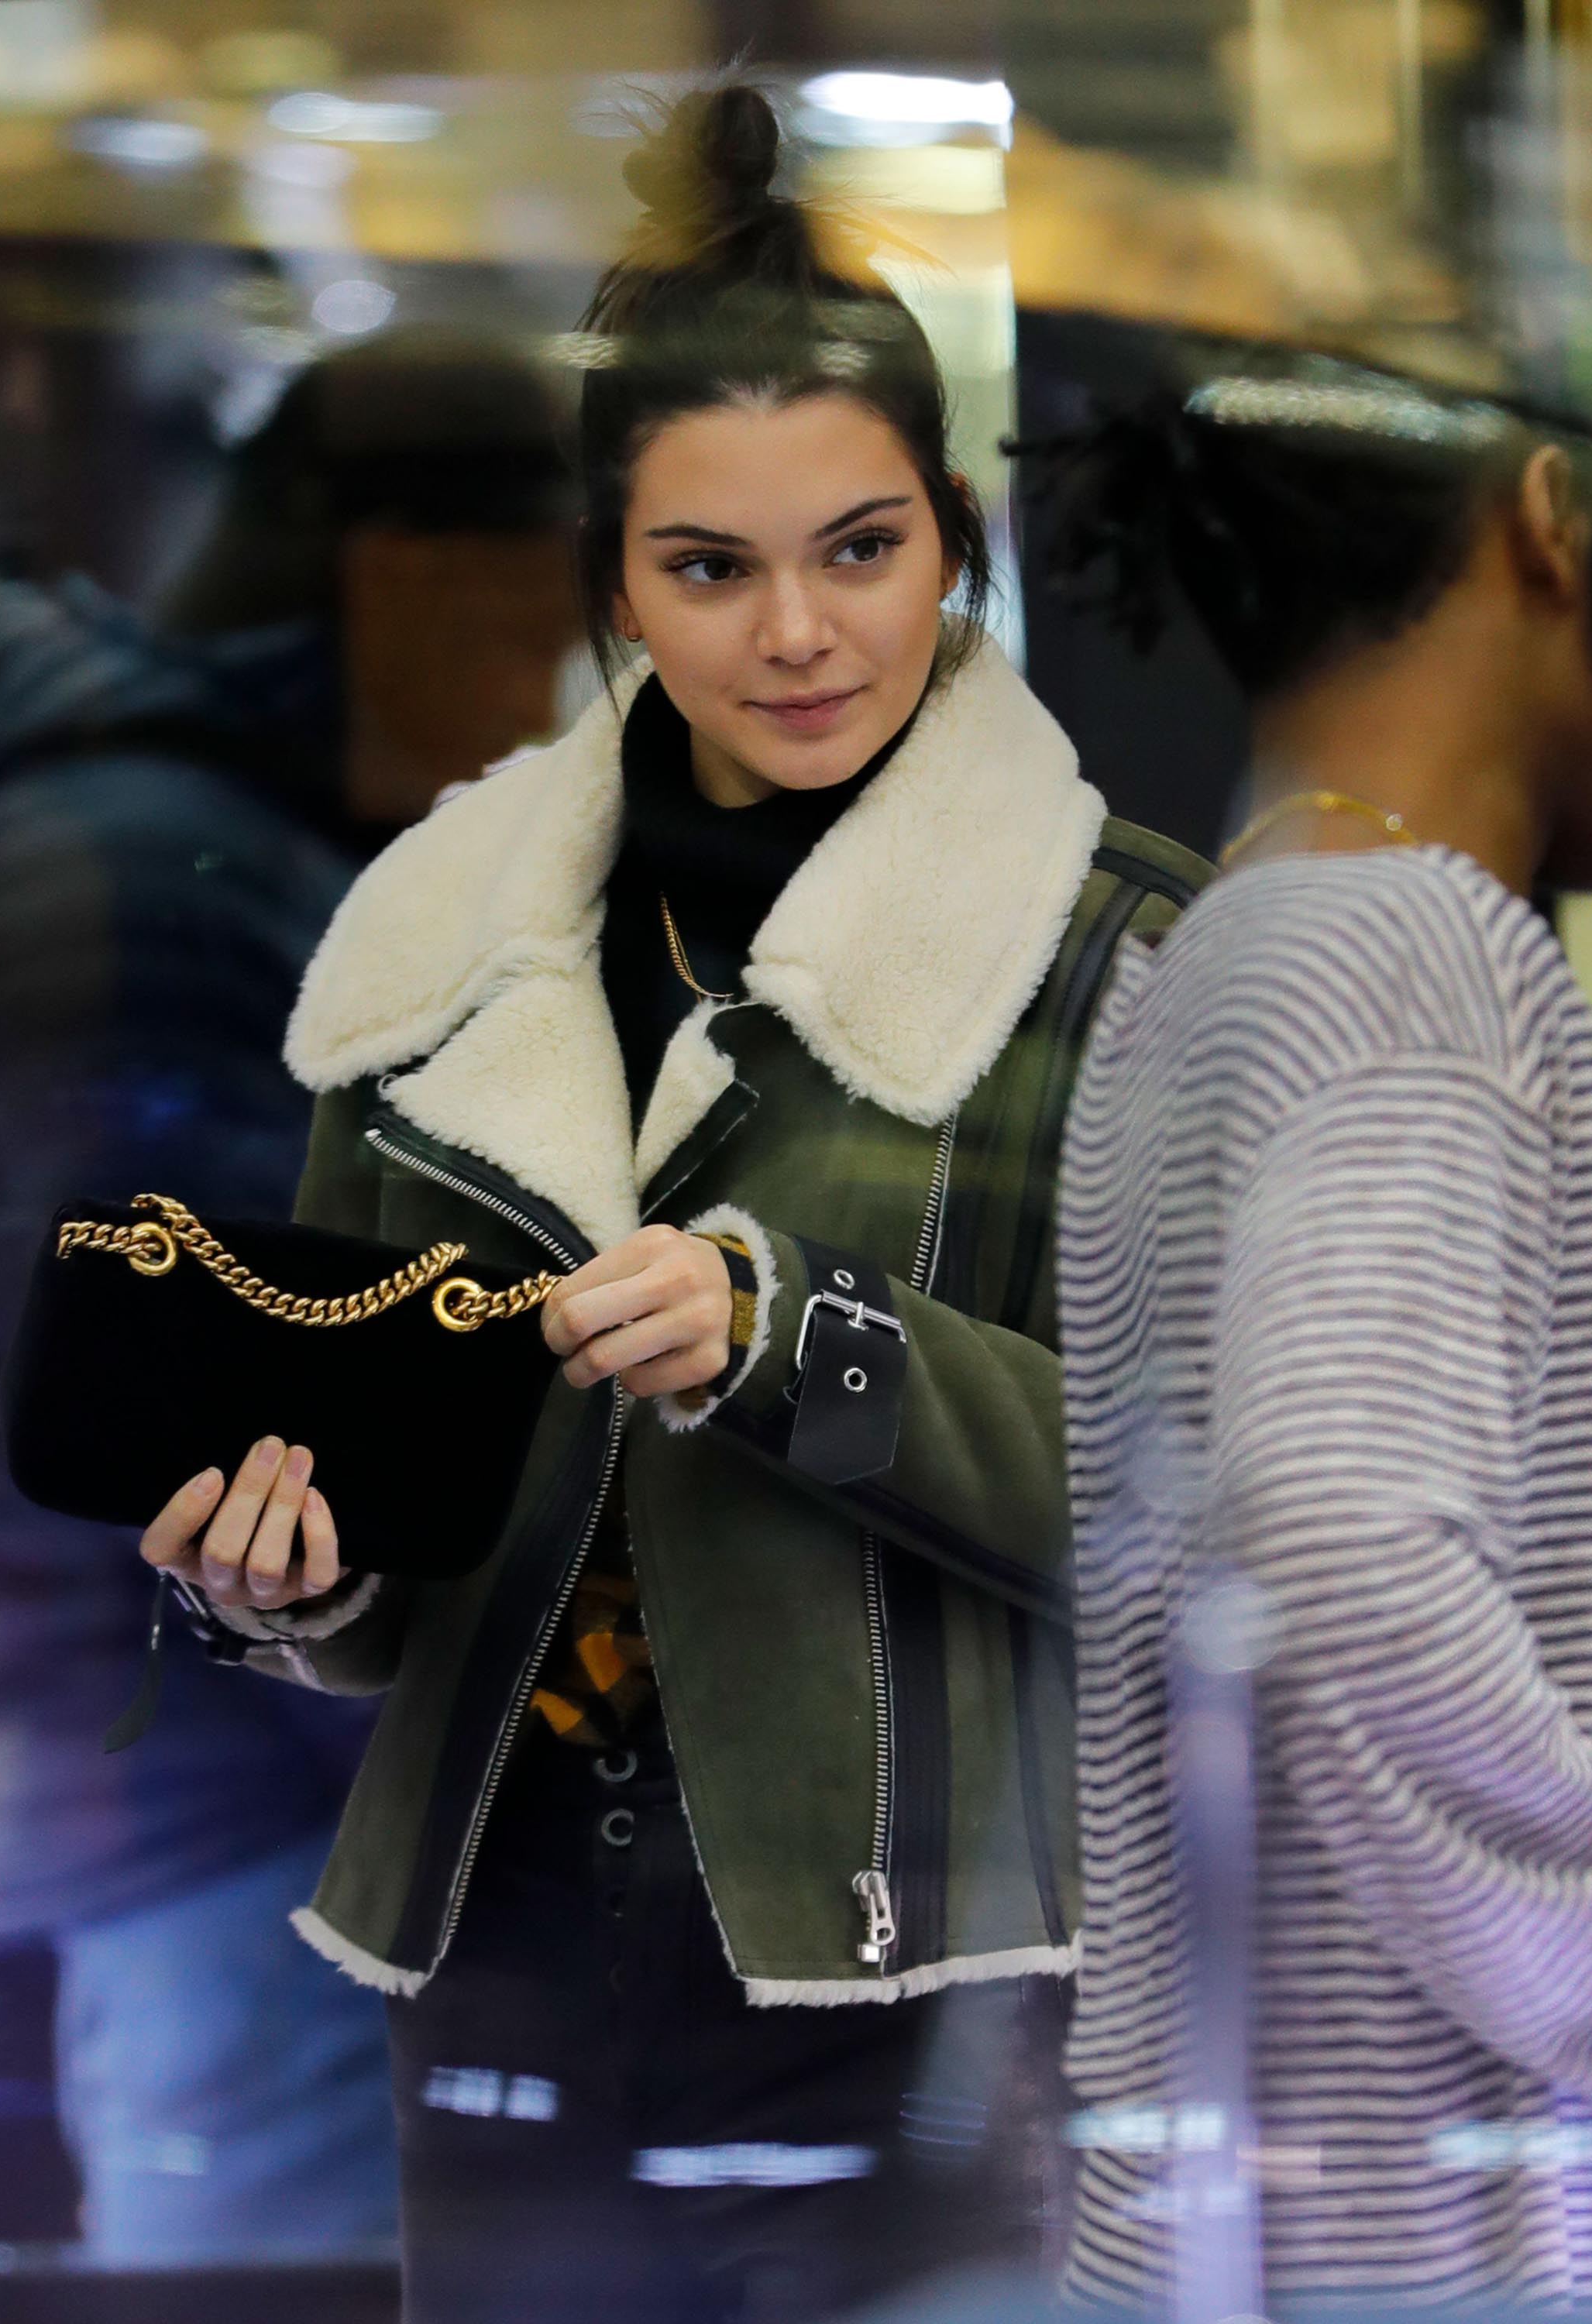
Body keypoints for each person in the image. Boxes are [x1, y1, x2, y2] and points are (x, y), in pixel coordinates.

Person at [133, 84, 1206, 2324]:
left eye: (861, 546)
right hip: (506, 1974)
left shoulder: (1113, 954)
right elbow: (387, 1543)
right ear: (610, 573)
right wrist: (285, 1581)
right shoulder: (449, 939)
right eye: (708, 566)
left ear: (955, 538)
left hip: (936, 2003)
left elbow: (1210, 1497)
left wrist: (798, 1338)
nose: (795, 632)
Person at [1035, 346, 1592, 2305]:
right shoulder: (1417, 959)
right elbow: (1334, 1546)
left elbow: (1536, 1500)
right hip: (1452, 2251)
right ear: (1560, 526)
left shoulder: (1224, 958)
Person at [0, 329, 579, 2258]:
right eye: (531, 631)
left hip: (95, 1755)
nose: (543, 711)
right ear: (401, 576)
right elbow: (209, 1405)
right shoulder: (141, 859)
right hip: (158, 1784)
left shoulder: (157, 817)